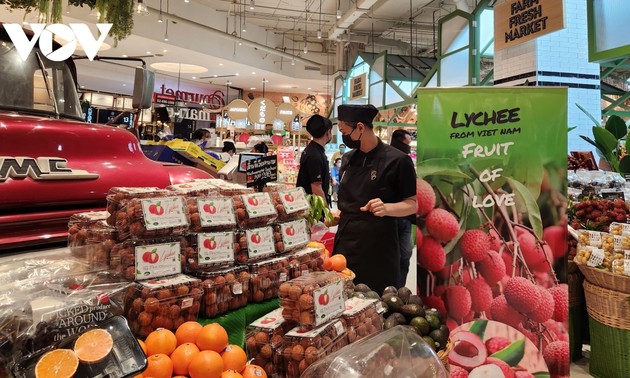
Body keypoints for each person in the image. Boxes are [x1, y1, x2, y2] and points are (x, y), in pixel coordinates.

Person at [333, 104, 416, 295]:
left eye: (345, 132)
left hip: (379, 244)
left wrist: (387, 208)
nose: (344, 137)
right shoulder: (347, 159)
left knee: (378, 302)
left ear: (360, 127)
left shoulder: (398, 160)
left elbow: (413, 203)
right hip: (346, 241)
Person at [389, 129, 414, 287]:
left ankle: (400, 291)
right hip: (389, 217)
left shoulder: (406, 161)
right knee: (393, 257)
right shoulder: (387, 159)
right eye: (407, 144)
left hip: (404, 217)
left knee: (405, 255)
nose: (409, 148)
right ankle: (391, 291)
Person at [296, 114, 333, 206]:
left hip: (306, 203)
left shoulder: (311, 149)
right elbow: (316, 188)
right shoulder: (315, 155)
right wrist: (326, 212)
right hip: (314, 209)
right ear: (328, 132)